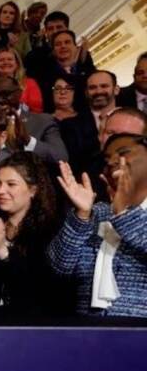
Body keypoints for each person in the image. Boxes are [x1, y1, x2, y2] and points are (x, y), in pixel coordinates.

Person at [49, 134, 147, 317]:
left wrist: (123, 213)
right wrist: (82, 215)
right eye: (109, 158)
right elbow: (60, 266)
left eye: (125, 153)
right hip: (91, 333)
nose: (115, 162)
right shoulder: (98, 213)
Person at [0, 152, 68, 315]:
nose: (0, 191)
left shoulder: (49, 229)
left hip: (30, 325)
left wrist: (3, 252)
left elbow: (38, 288)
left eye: (11, 184)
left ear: (33, 190)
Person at [0, 76, 68, 164]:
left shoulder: (42, 121)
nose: (0, 100)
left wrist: (28, 141)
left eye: (6, 94)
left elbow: (61, 157)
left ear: (19, 93)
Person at [0, 47, 43, 113]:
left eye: (10, 59)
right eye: (1, 60)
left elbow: (37, 110)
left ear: (17, 64)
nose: (5, 62)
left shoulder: (29, 83)